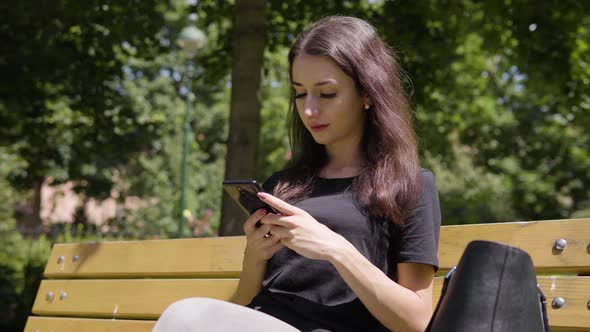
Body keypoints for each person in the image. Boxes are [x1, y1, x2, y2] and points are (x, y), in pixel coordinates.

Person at [153, 15, 441, 332]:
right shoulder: (284, 185)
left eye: (327, 93)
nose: (309, 110)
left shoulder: (408, 185)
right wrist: (255, 256)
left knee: (186, 315)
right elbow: (243, 302)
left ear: (368, 94)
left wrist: (334, 248)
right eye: (300, 93)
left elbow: (416, 320)